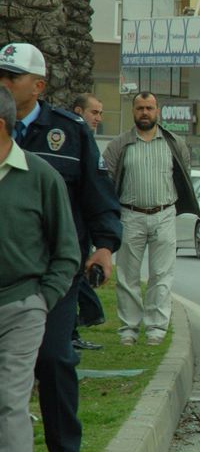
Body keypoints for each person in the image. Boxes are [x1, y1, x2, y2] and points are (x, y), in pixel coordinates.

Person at [0, 42, 122, 452]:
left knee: (52, 359)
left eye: (11, 78)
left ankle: (64, 451)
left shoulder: (68, 133)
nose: (3, 84)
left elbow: (97, 196)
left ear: (38, 85)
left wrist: (105, 246)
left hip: (55, 274)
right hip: (6, 273)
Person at [0, 87, 80, 452]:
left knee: (9, 403)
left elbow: (67, 251)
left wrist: (42, 300)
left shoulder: (40, 176)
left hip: (21, 304)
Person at [102, 92, 200, 346]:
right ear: (133, 111)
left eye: (149, 108)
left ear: (158, 111)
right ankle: (129, 330)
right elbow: (107, 182)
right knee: (127, 276)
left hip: (164, 214)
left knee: (162, 275)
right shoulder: (119, 145)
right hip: (130, 215)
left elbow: (183, 175)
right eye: (140, 108)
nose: (144, 112)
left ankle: (156, 329)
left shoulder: (174, 143)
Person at [70, 93, 107, 351]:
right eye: (94, 112)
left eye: (101, 113)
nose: (98, 119)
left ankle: (75, 328)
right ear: (78, 110)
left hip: (81, 228)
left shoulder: (88, 142)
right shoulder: (70, 139)